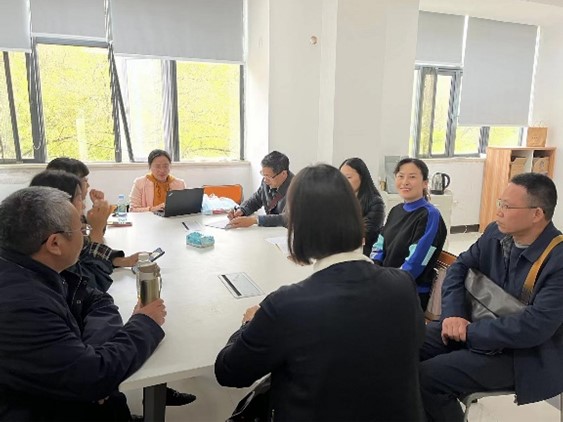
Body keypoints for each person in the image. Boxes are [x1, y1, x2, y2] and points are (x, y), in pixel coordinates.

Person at [215, 164, 425, 421]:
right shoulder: (403, 286)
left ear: (298, 227)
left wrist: (249, 324)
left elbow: (228, 371)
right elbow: (412, 346)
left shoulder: (286, 306)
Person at [29, 170, 197, 408]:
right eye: (81, 195)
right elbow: (88, 279)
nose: (87, 192)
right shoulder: (31, 303)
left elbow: (91, 291)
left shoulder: (38, 255)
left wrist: (120, 259)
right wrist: (97, 230)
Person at [0, 186, 166, 420]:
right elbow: (94, 378)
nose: (86, 237)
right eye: (82, 229)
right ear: (55, 244)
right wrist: (145, 322)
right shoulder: (22, 306)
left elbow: (95, 298)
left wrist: (92, 353)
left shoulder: (31, 268)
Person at [420, 173, 563, 422]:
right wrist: (454, 314)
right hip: (473, 326)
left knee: (428, 378)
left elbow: (535, 327)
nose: (498, 212)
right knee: (402, 345)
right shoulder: (496, 233)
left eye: (507, 206)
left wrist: (469, 332)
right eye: (500, 203)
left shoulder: (557, 260)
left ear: (537, 214)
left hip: (524, 354)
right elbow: (458, 268)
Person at [370, 158, 447, 309]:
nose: (405, 182)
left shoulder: (429, 215)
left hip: (409, 292)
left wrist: (386, 284)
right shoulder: (396, 210)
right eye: (400, 176)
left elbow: (417, 261)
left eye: (412, 177)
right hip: (385, 285)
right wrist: (374, 271)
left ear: (425, 183)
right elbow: (380, 244)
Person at [227, 151, 293, 228]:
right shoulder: (266, 182)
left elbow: (287, 218)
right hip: (272, 231)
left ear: (283, 174)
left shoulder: (297, 188)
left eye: (268, 176)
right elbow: (255, 200)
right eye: (263, 175)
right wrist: (241, 210)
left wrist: (255, 220)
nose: (265, 180)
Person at [339, 157, 385, 256]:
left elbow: (366, 233)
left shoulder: (375, 202)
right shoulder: (339, 200)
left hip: (364, 254)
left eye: (348, 177)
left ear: (362, 177)